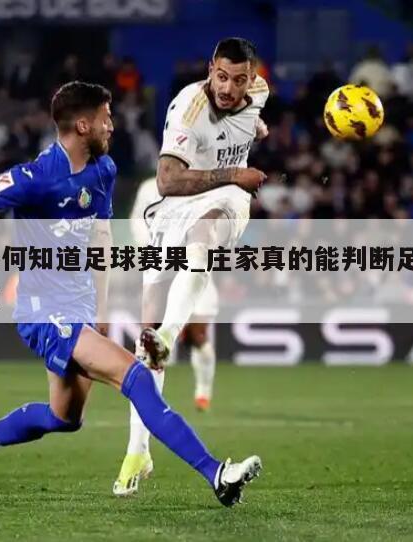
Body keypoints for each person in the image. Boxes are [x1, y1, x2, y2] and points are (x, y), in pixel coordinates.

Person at [0, 81, 264, 507]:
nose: (112, 125)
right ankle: (216, 474)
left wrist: (100, 310)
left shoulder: (103, 170)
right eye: (105, 118)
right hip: (43, 311)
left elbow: (100, 237)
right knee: (136, 377)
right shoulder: (35, 177)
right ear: (82, 125)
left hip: (78, 306)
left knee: (65, 417)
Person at [112, 37, 268, 497]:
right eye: (221, 76)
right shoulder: (188, 108)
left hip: (224, 201)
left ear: (252, 78)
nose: (229, 88)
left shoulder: (258, 93)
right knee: (145, 345)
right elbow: (167, 180)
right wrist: (235, 171)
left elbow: (252, 116)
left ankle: (170, 334)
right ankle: (137, 451)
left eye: (239, 80)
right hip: (175, 203)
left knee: (205, 235)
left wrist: (254, 132)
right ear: (210, 69)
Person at [129, 177, 219, 412]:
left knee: (198, 335)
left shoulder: (202, 183)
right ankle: (150, 398)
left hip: (194, 265)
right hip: (161, 267)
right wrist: (149, 246)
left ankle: (203, 391)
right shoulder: (149, 188)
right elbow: (138, 219)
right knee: (153, 337)